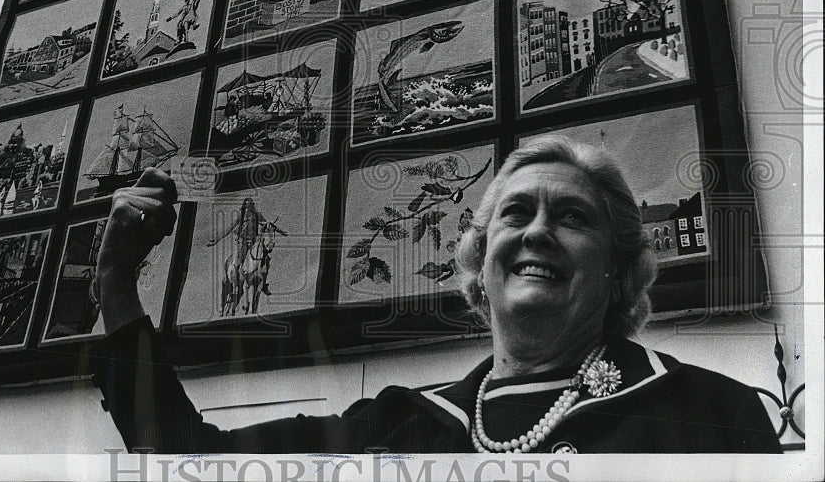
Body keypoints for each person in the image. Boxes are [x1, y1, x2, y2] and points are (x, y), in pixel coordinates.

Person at [89, 136, 782, 454]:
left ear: (618, 272)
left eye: (572, 217)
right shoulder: (395, 427)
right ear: (481, 264)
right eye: (515, 214)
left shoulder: (713, 414)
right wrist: (115, 284)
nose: (537, 231)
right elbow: (180, 455)